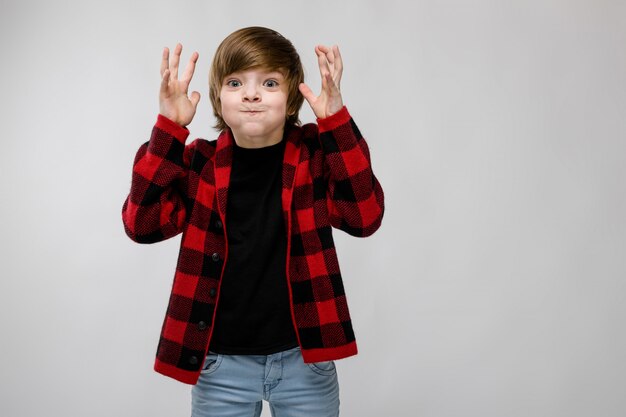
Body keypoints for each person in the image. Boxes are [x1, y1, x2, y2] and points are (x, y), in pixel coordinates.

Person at [122, 26, 384, 417]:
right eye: (235, 82)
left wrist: (336, 123)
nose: (251, 93)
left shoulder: (314, 155)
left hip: (304, 361)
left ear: (293, 96)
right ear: (218, 97)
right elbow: (141, 224)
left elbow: (364, 217)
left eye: (270, 82)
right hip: (220, 364)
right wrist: (169, 130)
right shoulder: (199, 163)